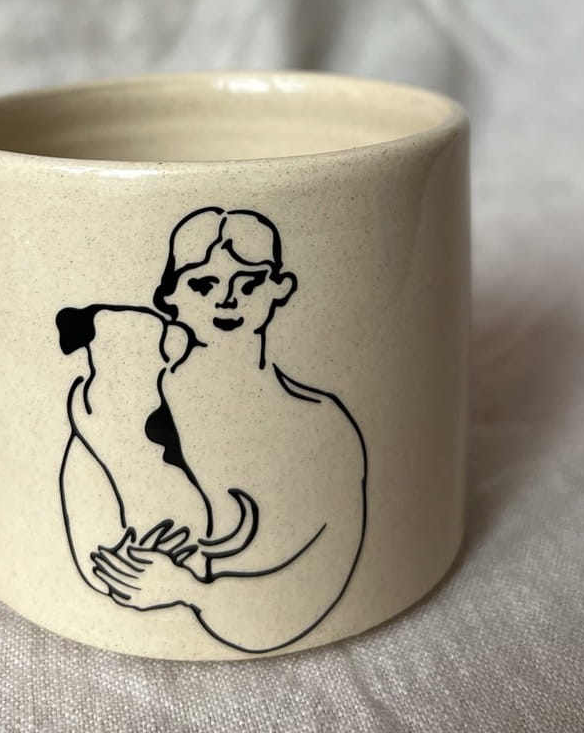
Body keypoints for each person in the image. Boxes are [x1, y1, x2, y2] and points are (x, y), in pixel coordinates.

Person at [56, 206, 367, 654]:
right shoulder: (121, 407)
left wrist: (188, 591)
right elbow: (95, 547)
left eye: (249, 283)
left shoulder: (321, 425)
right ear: (170, 297)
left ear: (279, 289)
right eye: (203, 284)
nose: (227, 300)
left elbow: (318, 577)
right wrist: (135, 568)